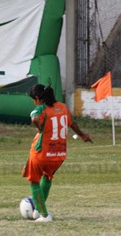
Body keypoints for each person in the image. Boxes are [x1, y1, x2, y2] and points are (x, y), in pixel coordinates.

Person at [22, 83, 92, 222]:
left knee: (34, 182)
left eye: (33, 100)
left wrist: (39, 128)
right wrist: (83, 135)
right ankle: (37, 211)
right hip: (58, 154)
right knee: (47, 178)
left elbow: (35, 118)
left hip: (41, 153)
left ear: (37, 98)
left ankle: (44, 215)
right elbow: (72, 124)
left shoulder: (41, 109)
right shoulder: (63, 107)